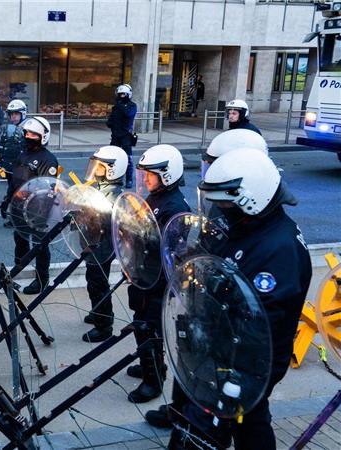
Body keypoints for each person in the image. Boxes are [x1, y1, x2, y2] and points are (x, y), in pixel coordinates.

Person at [168, 148, 311, 450]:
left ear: (250, 198)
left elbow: (260, 321)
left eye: (224, 203)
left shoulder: (280, 249)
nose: (219, 209)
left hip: (244, 360)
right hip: (219, 346)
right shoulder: (247, 225)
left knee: (239, 418)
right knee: (251, 420)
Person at [142, 127, 270, 430]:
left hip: (230, 324)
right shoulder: (226, 206)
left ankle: (192, 418)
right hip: (202, 298)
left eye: (217, 165)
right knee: (189, 355)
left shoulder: (265, 231)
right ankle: (179, 409)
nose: (211, 173)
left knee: (250, 422)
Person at [126, 144, 190, 404]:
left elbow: (168, 246)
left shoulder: (175, 207)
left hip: (158, 280)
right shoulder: (156, 198)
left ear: (168, 174)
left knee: (150, 328)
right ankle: (148, 363)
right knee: (140, 323)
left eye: (151, 174)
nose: (146, 179)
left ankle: (153, 380)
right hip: (143, 274)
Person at [81, 145, 126, 343]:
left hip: (103, 246)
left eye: (99, 166)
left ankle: (104, 325)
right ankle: (97, 311)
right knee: (93, 280)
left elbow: (109, 222)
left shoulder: (114, 194)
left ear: (111, 169)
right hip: (94, 244)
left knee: (98, 284)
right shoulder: (100, 188)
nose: (95, 168)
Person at [11, 117, 58, 295]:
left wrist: (41, 212)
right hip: (19, 206)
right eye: (26, 133)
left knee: (40, 245)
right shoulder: (22, 154)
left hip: (38, 208)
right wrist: (10, 199)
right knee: (20, 237)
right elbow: (15, 180)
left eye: (33, 134)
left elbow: (48, 188)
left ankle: (41, 280)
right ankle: (19, 266)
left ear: (42, 137)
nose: (28, 136)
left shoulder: (48, 160)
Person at [0, 99, 27, 225]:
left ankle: (18, 219)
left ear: (22, 114)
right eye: (11, 114)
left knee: (19, 193)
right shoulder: (10, 129)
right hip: (11, 166)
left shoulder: (28, 128)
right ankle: (14, 215)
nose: (13, 117)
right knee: (12, 191)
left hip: (23, 168)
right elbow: (4, 144)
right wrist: (1, 158)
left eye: (16, 114)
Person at [106, 84, 137, 189]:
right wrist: (110, 122)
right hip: (115, 135)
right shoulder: (116, 107)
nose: (121, 96)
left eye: (123, 94)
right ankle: (115, 177)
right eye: (120, 94)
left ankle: (129, 179)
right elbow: (110, 121)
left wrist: (119, 106)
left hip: (126, 136)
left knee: (128, 158)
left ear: (128, 94)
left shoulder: (132, 106)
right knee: (113, 158)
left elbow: (128, 114)